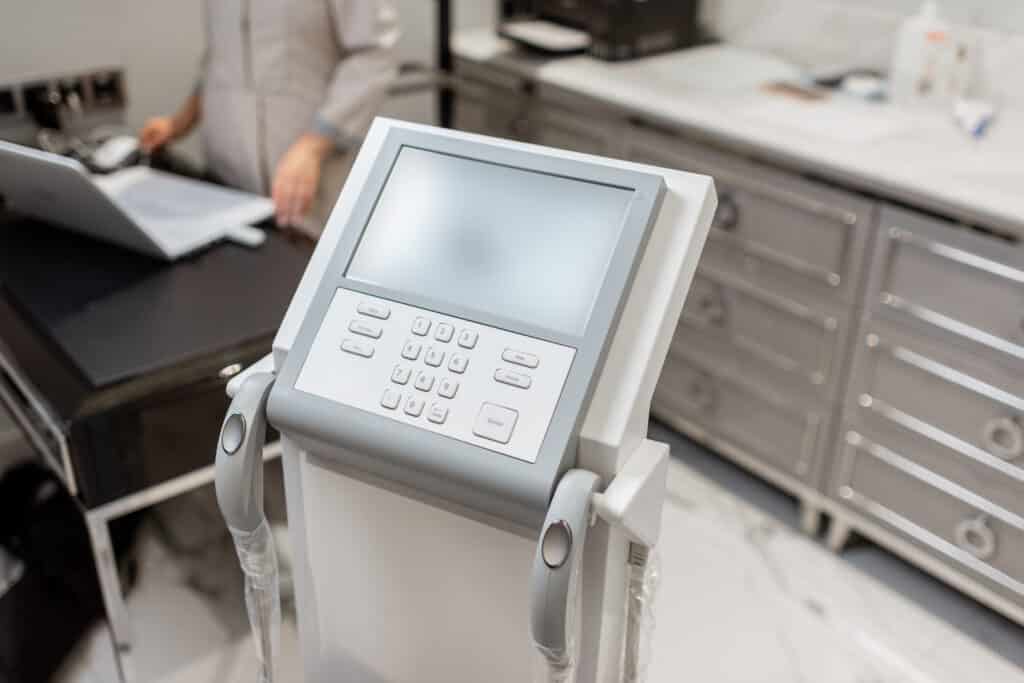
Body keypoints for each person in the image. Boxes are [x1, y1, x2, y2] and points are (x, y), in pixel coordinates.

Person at [140, 0, 400, 238]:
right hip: (227, 175)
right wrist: (180, 122)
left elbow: (374, 55)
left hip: (307, 169)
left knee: (305, 268)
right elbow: (220, 56)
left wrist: (313, 145)